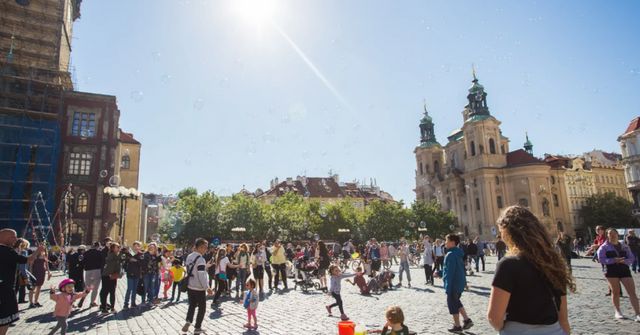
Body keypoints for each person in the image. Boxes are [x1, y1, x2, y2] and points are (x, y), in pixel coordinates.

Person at [487, 205, 574, 334]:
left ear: (508, 232)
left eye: (501, 231)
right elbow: (563, 319)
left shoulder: (508, 264)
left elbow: (494, 317)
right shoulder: (553, 262)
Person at [0, 229, 45, 335]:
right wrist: (38, 250)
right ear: (5, 237)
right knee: (5, 317)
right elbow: (28, 260)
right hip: (5, 289)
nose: (16, 239)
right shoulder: (7, 251)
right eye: (13, 237)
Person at [597, 229, 640, 321]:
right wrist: (613, 260)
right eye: (610, 234)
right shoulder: (604, 247)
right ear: (607, 235)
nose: (612, 235)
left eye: (614, 233)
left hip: (624, 269)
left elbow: (631, 257)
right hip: (611, 270)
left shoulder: (624, 246)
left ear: (617, 234)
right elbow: (601, 259)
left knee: (632, 292)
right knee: (615, 292)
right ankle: (618, 311)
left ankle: (638, 314)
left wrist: (625, 261)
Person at [441, 234, 473, 333]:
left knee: (452, 305)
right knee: (457, 302)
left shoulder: (450, 254)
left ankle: (457, 326)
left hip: (453, 284)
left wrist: (448, 287)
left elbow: (450, 272)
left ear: (452, 242)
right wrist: (439, 272)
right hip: (459, 282)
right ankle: (467, 320)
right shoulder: (458, 253)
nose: (445, 242)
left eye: (446, 240)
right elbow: (457, 268)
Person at [182, 238, 213, 335]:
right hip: (199, 288)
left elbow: (192, 269)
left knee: (192, 305)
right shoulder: (201, 259)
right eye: (202, 247)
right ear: (197, 247)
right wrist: (207, 287)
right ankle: (198, 327)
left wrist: (205, 266)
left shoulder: (189, 256)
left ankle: (188, 321)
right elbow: (201, 274)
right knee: (202, 308)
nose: (204, 250)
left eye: (206, 248)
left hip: (190, 286)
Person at [100, 243, 121, 314]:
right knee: (106, 292)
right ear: (112, 248)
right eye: (117, 247)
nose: (119, 248)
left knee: (111, 292)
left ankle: (109, 307)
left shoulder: (115, 255)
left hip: (112, 276)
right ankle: (104, 308)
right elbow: (113, 263)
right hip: (107, 276)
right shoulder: (112, 255)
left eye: (119, 247)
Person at [81, 242, 104, 307]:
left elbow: (83, 262)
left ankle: (83, 298)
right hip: (97, 270)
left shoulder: (86, 253)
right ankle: (92, 302)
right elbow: (102, 262)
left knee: (87, 287)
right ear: (98, 246)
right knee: (95, 288)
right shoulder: (99, 253)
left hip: (88, 271)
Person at [123, 241, 143, 309]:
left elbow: (142, 264)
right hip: (130, 273)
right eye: (134, 246)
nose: (136, 247)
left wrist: (136, 261)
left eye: (138, 246)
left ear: (140, 247)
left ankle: (133, 303)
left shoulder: (141, 254)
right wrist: (129, 260)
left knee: (134, 289)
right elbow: (125, 261)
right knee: (129, 289)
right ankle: (126, 304)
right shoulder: (130, 253)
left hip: (137, 274)